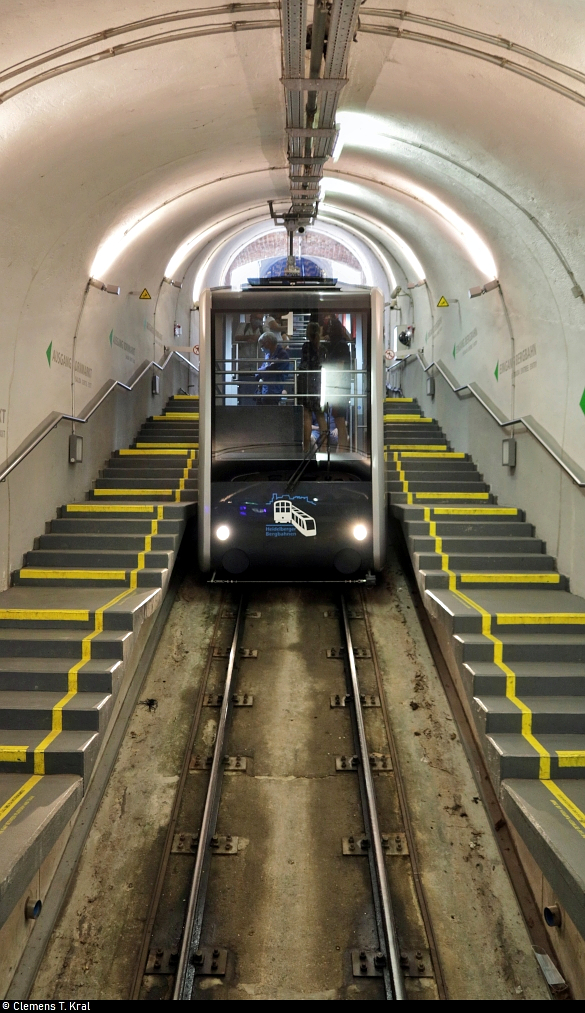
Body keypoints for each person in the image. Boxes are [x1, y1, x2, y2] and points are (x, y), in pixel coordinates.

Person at [297, 322, 327, 451]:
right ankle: (325, 447)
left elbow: (304, 365)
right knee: (321, 415)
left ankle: (306, 447)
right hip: (319, 383)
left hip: (306, 383)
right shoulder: (323, 348)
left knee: (307, 415)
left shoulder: (306, 347)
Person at [323, 316, 351, 452]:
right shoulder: (342, 344)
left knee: (339, 420)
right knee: (339, 419)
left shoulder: (340, 345)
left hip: (338, 387)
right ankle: (342, 449)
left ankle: (343, 450)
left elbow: (339, 367)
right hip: (341, 386)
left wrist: (334, 387)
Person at [255, 331, 290, 405]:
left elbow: (272, 369)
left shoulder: (282, 354)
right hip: (265, 390)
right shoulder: (268, 354)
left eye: (262, 345)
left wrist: (261, 372)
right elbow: (264, 369)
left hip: (275, 390)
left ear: (268, 343)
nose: (262, 347)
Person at [234, 313, 263, 404]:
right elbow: (237, 337)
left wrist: (256, 339)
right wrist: (249, 337)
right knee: (244, 391)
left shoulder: (263, 329)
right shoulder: (244, 326)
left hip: (257, 367)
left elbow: (269, 338)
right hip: (244, 366)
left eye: (260, 319)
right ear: (251, 318)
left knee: (256, 392)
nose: (258, 321)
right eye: (256, 318)